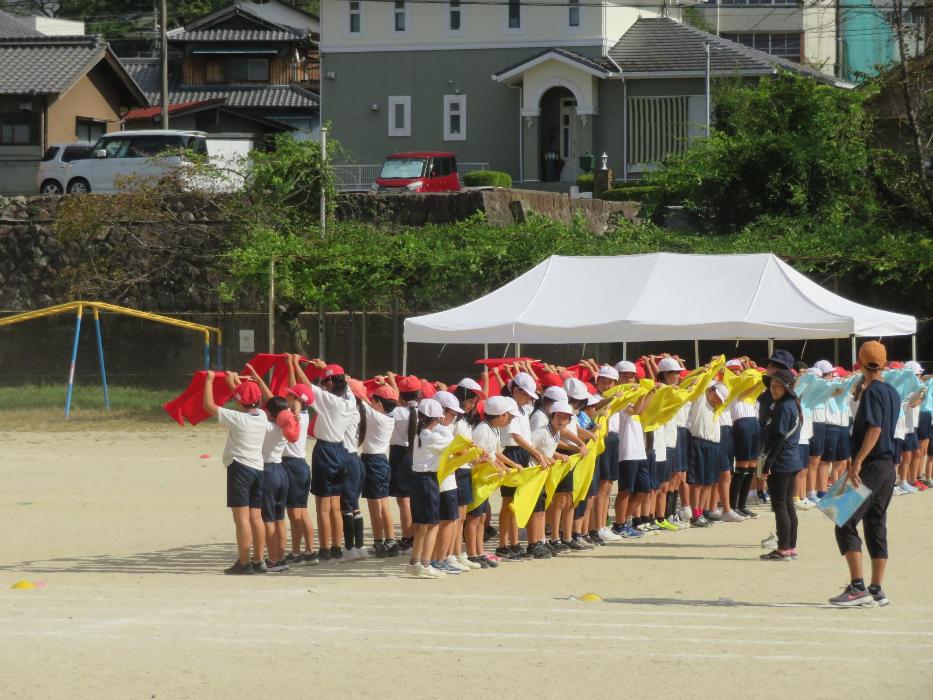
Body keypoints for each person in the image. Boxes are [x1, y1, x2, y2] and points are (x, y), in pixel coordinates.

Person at [829, 341, 899, 607]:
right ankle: (876, 589)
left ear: (859, 361)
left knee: (842, 516)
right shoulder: (891, 391)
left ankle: (858, 587)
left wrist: (857, 462)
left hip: (871, 464)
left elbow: (875, 429)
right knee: (875, 523)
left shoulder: (872, 391)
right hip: (887, 466)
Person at [203, 370, 268, 575]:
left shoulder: (238, 418)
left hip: (240, 469)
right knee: (256, 518)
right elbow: (246, 400)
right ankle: (259, 560)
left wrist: (209, 381)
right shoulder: (262, 415)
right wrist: (236, 384)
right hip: (258, 468)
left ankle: (244, 561)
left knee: (241, 518)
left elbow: (208, 406)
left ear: (240, 402)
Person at [297, 359, 357, 562]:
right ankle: (337, 547)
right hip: (341, 450)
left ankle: (324, 549)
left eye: (324, 382)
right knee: (335, 505)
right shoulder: (350, 400)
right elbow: (344, 383)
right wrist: (325, 369)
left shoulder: (331, 402)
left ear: (331, 384)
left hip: (325, 450)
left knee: (322, 506)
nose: (323, 385)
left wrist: (294, 364)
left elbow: (306, 385)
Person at [757, 369, 803, 562]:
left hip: (782, 460)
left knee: (780, 506)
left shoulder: (784, 407)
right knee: (788, 504)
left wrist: (768, 463)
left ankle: (783, 547)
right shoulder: (793, 403)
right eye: (772, 386)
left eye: (778, 386)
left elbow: (778, 437)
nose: (774, 389)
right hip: (792, 459)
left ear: (787, 387)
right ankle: (790, 546)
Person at [406, 398, 452, 579]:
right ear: (437, 419)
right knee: (433, 524)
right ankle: (425, 563)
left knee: (421, 524)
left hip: (417, 479)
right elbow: (453, 444)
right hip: (427, 480)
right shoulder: (432, 437)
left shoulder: (418, 433)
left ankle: (415, 562)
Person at [282, 357, 318, 565]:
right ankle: (298, 551)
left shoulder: (292, 415)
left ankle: (310, 550)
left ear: (296, 400)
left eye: (289, 395)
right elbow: (298, 391)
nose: (285, 396)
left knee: (298, 513)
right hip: (298, 465)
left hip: (293, 466)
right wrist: (290, 365)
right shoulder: (300, 413)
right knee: (296, 512)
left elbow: (270, 399)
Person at [359, 383, 401, 558]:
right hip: (382, 461)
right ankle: (390, 541)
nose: (371, 401)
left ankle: (379, 543)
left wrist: (349, 383)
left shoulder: (376, 416)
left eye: (374, 399)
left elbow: (360, 399)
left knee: (374, 507)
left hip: (372, 462)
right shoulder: (390, 415)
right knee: (384, 506)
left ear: (379, 403)